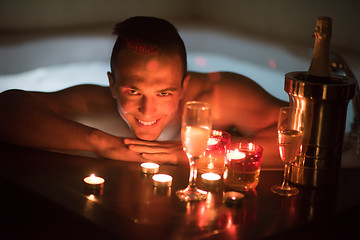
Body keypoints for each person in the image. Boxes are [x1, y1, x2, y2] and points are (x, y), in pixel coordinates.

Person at [0, 16, 287, 168]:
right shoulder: (96, 103)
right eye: (134, 91)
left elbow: (302, 136)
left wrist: (199, 153)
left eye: (164, 93)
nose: (147, 111)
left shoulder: (219, 96)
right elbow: (7, 109)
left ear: (184, 86)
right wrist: (102, 142)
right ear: (113, 86)